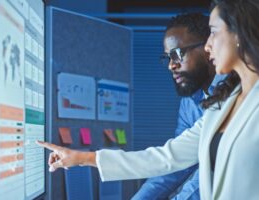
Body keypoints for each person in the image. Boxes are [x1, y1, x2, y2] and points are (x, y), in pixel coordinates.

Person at [37, 0, 259, 199]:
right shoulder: (221, 103)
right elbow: (167, 159)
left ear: (238, 33)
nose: (210, 45)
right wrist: (82, 158)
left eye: (213, 32)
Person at [133, 13, 225, 200]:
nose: (171, 66)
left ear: (208, 47)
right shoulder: (189, 101)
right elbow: (176, 162)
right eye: (167, 57)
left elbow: (214, 169)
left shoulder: (237, 94)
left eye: (176, 54)